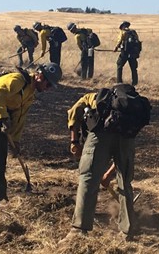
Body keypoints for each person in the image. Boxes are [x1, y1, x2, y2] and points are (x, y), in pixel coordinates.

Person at [0, 62, 62, 206]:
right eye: (48, 85)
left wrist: (15, 140)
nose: (48, 89)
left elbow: (20, 117)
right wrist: (3, 117)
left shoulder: (30, 94)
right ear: (40, 76)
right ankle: (1, 196)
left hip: (0, 119)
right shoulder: (17, 80)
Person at [63, 84, 149, 240]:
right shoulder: (130, 111)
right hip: (127, 137)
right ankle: (127, 231)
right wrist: (109, 175)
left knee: (88, 177)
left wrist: (74, 141)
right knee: (125, 181)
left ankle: (78, 230)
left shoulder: (90, 98)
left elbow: (74, 112)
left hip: (100, 134)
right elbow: (121, 161)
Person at [113, 21, 142, 85]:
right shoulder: (133, 32)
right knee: (133, 68)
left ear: (123, 26)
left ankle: (119, 82)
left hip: (125, 52)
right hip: (133, 53)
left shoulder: (123, 32)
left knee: (119, 65)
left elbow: (120, 40)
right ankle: (135, 83)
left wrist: (116, 47)